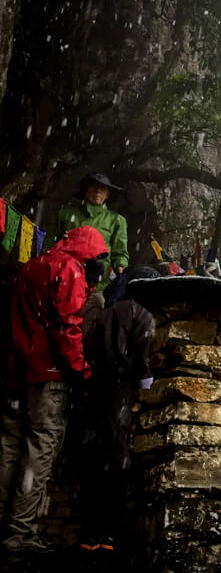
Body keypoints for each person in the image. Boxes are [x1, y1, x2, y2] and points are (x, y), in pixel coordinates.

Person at [0, 226, 108, 555]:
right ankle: (19, 531)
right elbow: (68, 326)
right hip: (49, 374)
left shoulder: (34, 264)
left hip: (17, 372)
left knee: (8, 447)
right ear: (89, 251)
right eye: (99, 257)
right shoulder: (70, 270)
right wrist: (81, 370)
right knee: (40, 449)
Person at [76, 266, 157, 553]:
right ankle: (108, 534)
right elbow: (143, 355)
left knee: (93, 459)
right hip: (120, 390)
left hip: (94, 387)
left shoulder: (104, 314)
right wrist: (145, 380)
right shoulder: (143, 314)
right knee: (116, 459)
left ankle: (89, 532)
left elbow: (86, 346)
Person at [56, 173, 129, 291]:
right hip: (64, 280)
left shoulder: (116, 220)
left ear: (107, 195)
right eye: (94, 186)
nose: (98, 191)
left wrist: (121, 271)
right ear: (85, 190)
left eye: (103, 188)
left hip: (99, 286)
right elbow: (51, 245)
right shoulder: (66, 214)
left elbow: (119, 252)